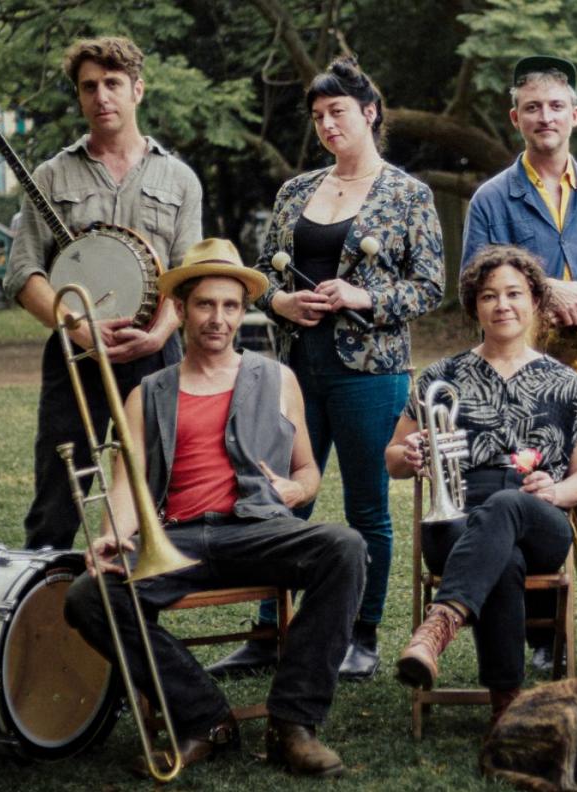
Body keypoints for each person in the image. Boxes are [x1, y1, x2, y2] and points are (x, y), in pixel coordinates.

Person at [64, 239, 364, 778]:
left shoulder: (278, 379)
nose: (218, 319)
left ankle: (291, 724)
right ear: (180, 310)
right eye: (205, 305)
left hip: (255, 530)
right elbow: (128, 487)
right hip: (175, 537)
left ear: (242, 310)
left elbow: (307, 472)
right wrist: (111, 535)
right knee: (89, 595)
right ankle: (204, 718)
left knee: (344, 547)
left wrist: (297, 492)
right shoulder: (147, 393)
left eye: (230, 306)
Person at [205, 56, 444, 682]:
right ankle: (266, 628)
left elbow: (431, 287)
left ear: (369, 113)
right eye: (317, 116)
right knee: (277, 498)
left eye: (337, 112)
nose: (327, 125)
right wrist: (279, 301)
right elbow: (260, 275)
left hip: (370, 372)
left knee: (368, 508)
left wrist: (360, 297)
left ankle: (358, 635)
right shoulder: (294, 192)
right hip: (293, 369)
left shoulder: (408, 194)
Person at [460, 55, 577, 673]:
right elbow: (475, 284)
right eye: (532, 107)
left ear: (576, 115)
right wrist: (547, 291)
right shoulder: (492, 198)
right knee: (530, 494)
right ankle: (544, 635)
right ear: (516, 118)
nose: (546, 117)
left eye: (556, 106)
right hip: (523, 382)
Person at [3, 36, 202, 552]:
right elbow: (23, 274)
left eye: (113, 83)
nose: (101, 96)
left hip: (155, 352)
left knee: (152, 486)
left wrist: (158, 334)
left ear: (137, 89)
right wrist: (77, 325)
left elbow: (190, 275)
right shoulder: (50, 175)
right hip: (76, 354)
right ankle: (44, 618)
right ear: (79, 97)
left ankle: (140, 618)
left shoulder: (179, 179)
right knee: (59, 492)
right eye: (89, 86)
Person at [388, 245, 577, 722]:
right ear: (474, 307)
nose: (502, 305)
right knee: (503, 556)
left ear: (535, 302)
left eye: (514, 294)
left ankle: (439, 624)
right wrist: (411, 453)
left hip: (539, 511)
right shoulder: (442, 375)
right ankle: (507, 708)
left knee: (507, 507)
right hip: (456, 516)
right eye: (488, 296)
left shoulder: (566, 382)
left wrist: (556, 492)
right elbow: (393, 460)